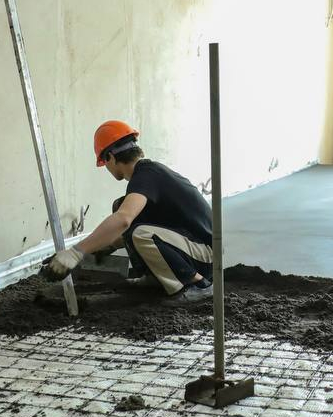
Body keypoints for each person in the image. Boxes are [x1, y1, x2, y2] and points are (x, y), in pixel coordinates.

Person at [44, 120, 214, 304]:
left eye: (104, 162)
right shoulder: (148, 174)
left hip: (204, 255)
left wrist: (75, 253)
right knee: (122, 207)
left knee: (139, 232)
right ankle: (155, 278)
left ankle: (197, 285)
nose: (106, 168)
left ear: (110, 157)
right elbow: (125, 225)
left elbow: (124, 219)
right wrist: (102, 247)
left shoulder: (147, 175)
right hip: (191, 248)